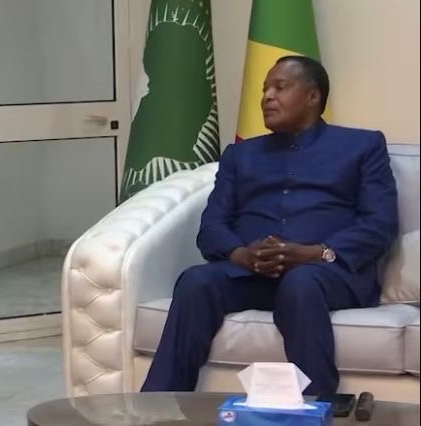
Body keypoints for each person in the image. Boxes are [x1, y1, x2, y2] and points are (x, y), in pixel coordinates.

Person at [140, 55, 398, 396]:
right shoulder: (240, 155)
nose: (266, 97)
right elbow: (212, 226)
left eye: (280, 87)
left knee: (301, 282)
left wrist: (313, 253)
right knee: (196, 281)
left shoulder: (362, 146)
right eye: (264, 90)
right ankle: (158, 405)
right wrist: (241, 255)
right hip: (252, 274)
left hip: (326, 274)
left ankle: (317, 404)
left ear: (312, 96)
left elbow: (379, 223)